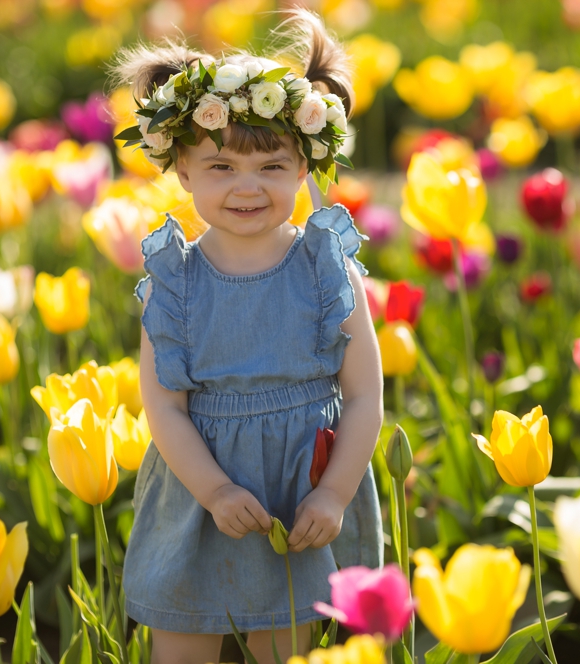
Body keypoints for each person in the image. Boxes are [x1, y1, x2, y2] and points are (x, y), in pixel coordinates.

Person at [111, 11, 384, 664]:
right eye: (222, 165)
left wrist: (336, 492)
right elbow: (165, 409)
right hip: (202, 492)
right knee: (183, 643)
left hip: (301, 495)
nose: (247, 185)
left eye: (271, 165)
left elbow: (366, 394)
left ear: (306, 164)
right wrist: (214, 490)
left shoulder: (327, 268)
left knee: (283, 646)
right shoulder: (173, 282)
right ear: (181, 167)